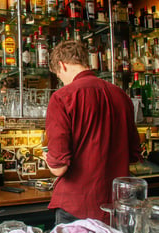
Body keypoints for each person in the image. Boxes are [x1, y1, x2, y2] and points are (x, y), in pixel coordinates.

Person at [43, 40, 142, 225]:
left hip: (78, 207)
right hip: (116, 208)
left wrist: (46, 157)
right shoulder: (121, 95)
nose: (61, 80)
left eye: (58, 75)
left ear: (61, 65)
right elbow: (134, 155)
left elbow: (58, 168)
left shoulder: (61, 97)